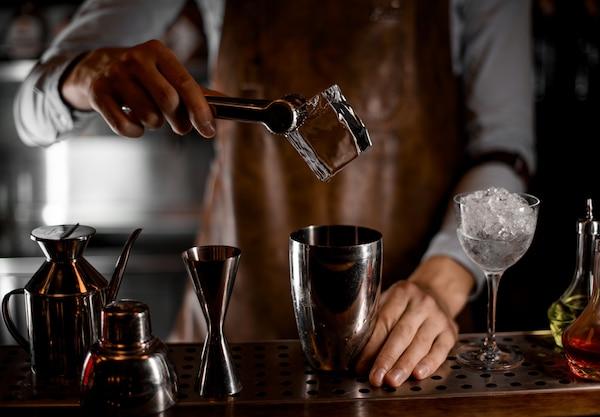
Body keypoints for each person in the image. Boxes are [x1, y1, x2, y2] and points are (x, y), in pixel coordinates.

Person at [13, 0, 535, 388]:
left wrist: (442, 282)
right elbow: (30, 112)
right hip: (230, 332)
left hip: (406, 339)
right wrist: (84, 74)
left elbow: (503, 150)